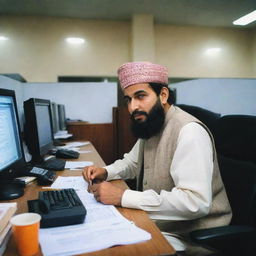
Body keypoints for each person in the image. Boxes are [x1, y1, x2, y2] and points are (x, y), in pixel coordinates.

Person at [83, 61, 232, 255]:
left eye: (140, 96)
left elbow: (195, 202)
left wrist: (122, 196)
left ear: (163, 95)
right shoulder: (153, 123)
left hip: (191, 235)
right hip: (162, 222)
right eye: (128, 99)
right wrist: (107, 171)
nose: (132, 107)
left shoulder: (189, 131)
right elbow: (133, 162)